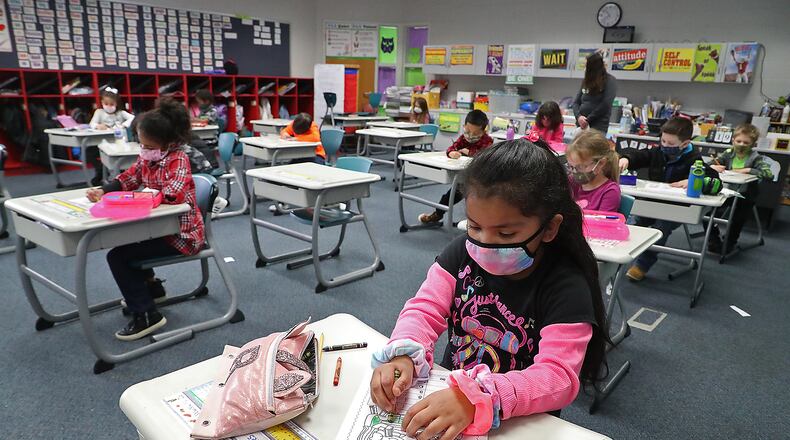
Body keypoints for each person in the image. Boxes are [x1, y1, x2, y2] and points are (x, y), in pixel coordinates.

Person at [370, 139, 608, 438]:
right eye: (474, 226)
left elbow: (557, 377)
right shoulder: (462, 252)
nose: (485, 243)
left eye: (506, 233)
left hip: (520, 421)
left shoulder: (566, 285)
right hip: (448, 395)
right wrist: (405, 352)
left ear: (549, 228)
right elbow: (425, 308)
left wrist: (478, 396)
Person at [86, 98, 205, 341]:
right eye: (141, 144)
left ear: (168, 143)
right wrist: (105, 189)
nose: (143, 149)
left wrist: (143, 198)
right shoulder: (148, 157)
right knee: (128, 243)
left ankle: (147, 314)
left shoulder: (177, 159)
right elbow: (130, 176)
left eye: (148, 145)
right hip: (160, 228)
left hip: (182, 234)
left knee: (118, 256)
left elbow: (174, 192)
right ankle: (152, 289)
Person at [618, 117, 720, 281]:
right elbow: (642, 156)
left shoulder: (694, 159)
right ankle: (619, 258)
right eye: (663, 141)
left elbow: (715, 181)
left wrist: (694, 180)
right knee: (634, 224)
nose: (665, 145)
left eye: (671, 144)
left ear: (685, 144)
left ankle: (642, 265)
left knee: (660, 230)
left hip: (675, 209)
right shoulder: (658, 152)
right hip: (651, 203)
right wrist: (626, 159)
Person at [418, 110, 493, 224]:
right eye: (468, 131)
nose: (470, 136)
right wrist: (452, 153)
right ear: (464, 126)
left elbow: (485, 154)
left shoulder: (487, 141)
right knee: (448, 198)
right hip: (463, 178)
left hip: (479, 180)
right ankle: (437, 215)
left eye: (475, 134)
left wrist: (470, 152)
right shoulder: (463, 138)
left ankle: (476, 225)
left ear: (483, 131)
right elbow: (452, 148)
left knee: (476, 203)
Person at [708, 123, 773, 253]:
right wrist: (714, 167)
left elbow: (768, 174)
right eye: (738, 141)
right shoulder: (728, 153)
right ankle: (713, 239)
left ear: (753, 144)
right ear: (733, 140)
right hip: (727, 191)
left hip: (746, 195)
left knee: (738, 217)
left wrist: (749, 170)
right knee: (706, 210)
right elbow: (709, 164)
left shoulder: (756, 157)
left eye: (746, 142)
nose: (741, 144)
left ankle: (730, 241)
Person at [88, 87, 135, 185]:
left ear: (116, 104)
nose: (109, 106)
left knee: (120, 160)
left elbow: (133, 118)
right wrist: (98, 126)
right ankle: (100, 173)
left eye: (111, 104)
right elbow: (92, 124)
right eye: (106, 104)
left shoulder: (120, 113)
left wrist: (123, 125)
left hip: (118, 143)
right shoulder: (99, 112)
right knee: (90, 152)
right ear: (102, 103)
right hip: (101, 142)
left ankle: (121, 179)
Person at [566, 130, 621, 212]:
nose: (575, 172)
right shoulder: (572, 182)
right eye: (571, 166)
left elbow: (602, 224)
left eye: (581, 167)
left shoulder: (610, 192)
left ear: (601, 163)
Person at [572, 52, 617, 134]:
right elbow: (576, 102)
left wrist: (588, 120)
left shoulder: (609, 80)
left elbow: (606, 104)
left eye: (587, 66)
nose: (585, 68)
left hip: (598, 128)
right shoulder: (586, 81)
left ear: (592, 67)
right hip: (581, 127)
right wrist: (578, 117)